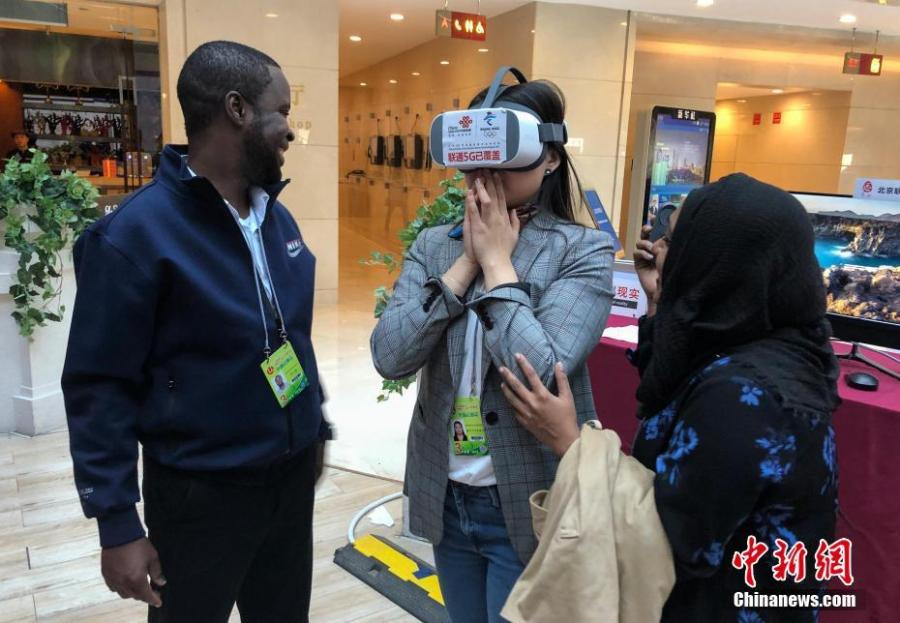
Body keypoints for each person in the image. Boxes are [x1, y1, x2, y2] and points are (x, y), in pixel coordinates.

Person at [62, 41, 330, 623]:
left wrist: (313, 421)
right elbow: (98, 386)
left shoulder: (274, 216)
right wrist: (117, 523)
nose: (289, 130)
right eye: (281, 111)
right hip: (198, 495)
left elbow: (291, 336)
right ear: (237, 109)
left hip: (287, 483)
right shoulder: (135, 237)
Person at [500, 173, 840, 622]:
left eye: (675, 240)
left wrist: (571, 444)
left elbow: (669, 543)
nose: (656, 246)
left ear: (720, 261)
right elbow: (669, 391)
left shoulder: (744, 398)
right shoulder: (773, 342)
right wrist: (662, 300)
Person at [371, 78, 614, 623]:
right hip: (447, 494)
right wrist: (466, 264)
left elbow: (539, 368)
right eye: (472, 157)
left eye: (503, 155)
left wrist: (500, 265)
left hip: (527, 498)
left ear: (549, 158)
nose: (485, 175)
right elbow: (390, 355)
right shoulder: (435, 247)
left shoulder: (584, 252)